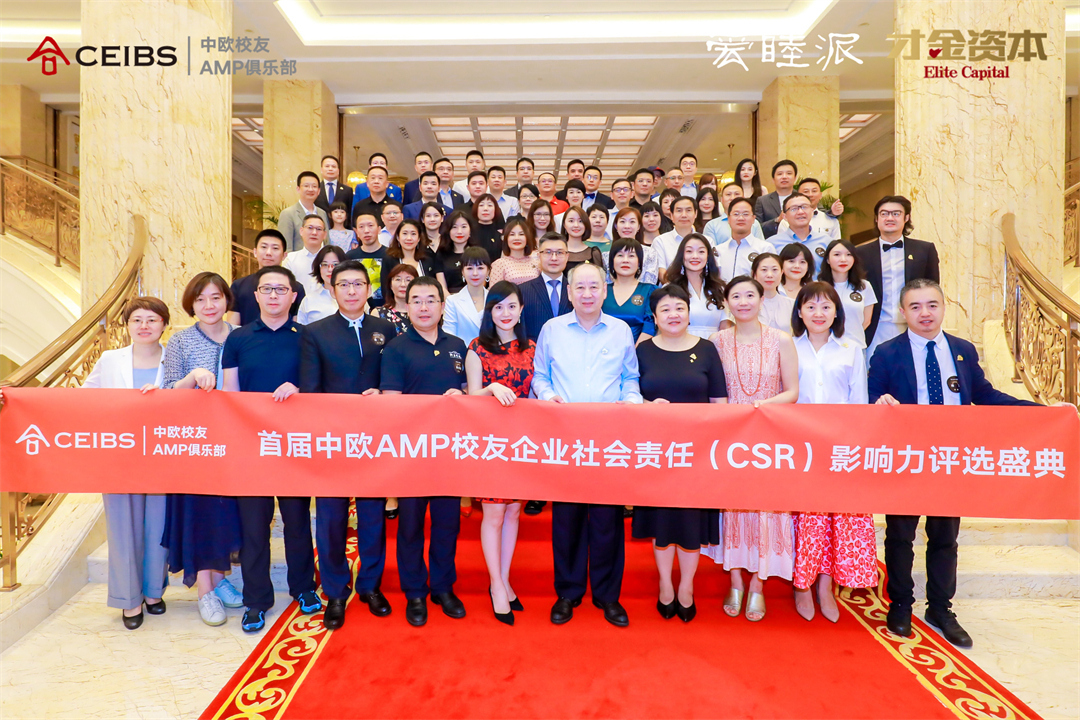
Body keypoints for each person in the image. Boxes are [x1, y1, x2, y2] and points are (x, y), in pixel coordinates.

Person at [869, 279, 1049, 649]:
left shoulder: (962, 350)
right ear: (903, 312)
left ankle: (940, 608)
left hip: (950, 459)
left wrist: (1044, 413)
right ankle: (900, 604)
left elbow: (985, 395)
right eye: (915, 306)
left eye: (932, 305)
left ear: (943, 307)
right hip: (907, 460)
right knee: (900, 536)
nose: (925, 313)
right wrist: (880, 402)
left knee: (945, 537)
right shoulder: (886, 353)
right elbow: (871, 398)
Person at [533, 263, 643, 627]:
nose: (587, 294)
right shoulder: (552, 329)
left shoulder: (620, 330)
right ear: (568, 291)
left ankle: (608, 595)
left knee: (607, 520)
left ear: (604, 289)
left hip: (608, 440)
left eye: (594, 286)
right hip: (566, 439)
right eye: (579, 287)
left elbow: (630, 378)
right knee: (567, 520)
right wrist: (548, 397)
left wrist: (631, 402)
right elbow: (540, 376)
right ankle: (568, 592)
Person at [221, 266, 321, 633]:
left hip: (294, 446)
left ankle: (304, 588)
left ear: (294, 296)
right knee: (254, 528)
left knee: (297, 522)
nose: (274, 295)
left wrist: (300, 389)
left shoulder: (308, 337)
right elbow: (230, 394)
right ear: (256, 296)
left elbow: (319, 386)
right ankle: (256, 600)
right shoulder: (238, 338)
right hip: (252, 447)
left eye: (281, 289)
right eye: (267, 289)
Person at [300, 260, 398, 629]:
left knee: (373, 516)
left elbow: (394, 378)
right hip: (333, 439)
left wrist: (383, 393)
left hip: (375, 439)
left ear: (368, 289)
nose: (352, 290)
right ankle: (336, 592)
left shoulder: (385, 329)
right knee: (331, 518)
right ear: (332, 289)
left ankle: (371, 585)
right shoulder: (315, 332)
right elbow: (310, 390)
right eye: (344, 284)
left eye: (358, 283)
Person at [701, 276, 799, 622]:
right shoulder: (715, 342)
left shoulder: (781, 339)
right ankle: (736, 581)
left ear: (761, 299)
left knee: (765, 508)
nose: (743, 302)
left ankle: (758, 583)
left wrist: (761, 407)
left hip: (769, 436)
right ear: (727, 303)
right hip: (729, 438)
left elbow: (792, 391)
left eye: (749, 296)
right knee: (732, 507)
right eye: (736, 296)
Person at [632, 285, 726, 622]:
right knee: (662, 522)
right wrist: (647, 405)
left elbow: (719, 402)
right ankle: (665, 584)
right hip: (655, 452)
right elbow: (628, 395)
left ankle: (686, 586)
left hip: (695, 453)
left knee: (690, 524)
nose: (673, 314)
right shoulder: (643, 351)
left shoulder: (707, 349)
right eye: (666, 309)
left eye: (679, 308)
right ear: (654, 317)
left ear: (688, 312)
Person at [381, 277, 470, 627]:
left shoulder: (458, 345)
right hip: (412, 453)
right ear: (407, 306)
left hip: (449, 453)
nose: (423, 307)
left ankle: (443, 587)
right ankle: (415, 592)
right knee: (411, 526)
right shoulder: (397, 348)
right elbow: (392, 402)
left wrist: (462, 398)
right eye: (416, 300)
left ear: (442, 306)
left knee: (447, 524)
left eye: (431, 300)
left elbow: (469, 394)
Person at [789, 281, 876, 623]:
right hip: (800, 446)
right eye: (810, 306)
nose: (818, 313)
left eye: (826, 306)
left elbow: (859, 402)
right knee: (805, 517)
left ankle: (826, 585)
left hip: (840, 446)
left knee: (834, 518)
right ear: (799, 312)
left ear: (837, 312)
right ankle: (801, 584)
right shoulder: (788, 347)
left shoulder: (851, 349)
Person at [161, 272, 242, 626]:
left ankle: (220, 578)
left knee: (226, 513)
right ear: (191, 305)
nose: (209, 305)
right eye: (200, 299)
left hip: (234, 442)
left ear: (227, 300)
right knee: (200, 513)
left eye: (215, 297)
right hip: (194, 444)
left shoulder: (242, 336)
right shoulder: (180, 341)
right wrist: (191, 377)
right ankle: (205, 590)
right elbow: (167, 391)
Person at [86, 297, 170, 630]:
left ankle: (153, 592)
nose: (144, 326)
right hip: (119, 457)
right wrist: (21, 397)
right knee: (122, 530)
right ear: (127, 325)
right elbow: (80, 398)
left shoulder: (174, 358)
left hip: (163, 457)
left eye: (152, 319)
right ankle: (128, 599)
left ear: (164, 324)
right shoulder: (110, 359)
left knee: (158, 528)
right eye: (137, 320)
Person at [464, 281, 537, 625]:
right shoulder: (477, 348)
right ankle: (495, 585)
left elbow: (538, 392)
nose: (505, 313)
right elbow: (471, 398)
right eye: (498, 307)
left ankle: (505, 580)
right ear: (489, 312)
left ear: (521, 310)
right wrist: (492, 387)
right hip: (491, 444)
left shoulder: (532, 347)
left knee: (513, 513)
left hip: (523, 444)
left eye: (511, 306)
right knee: (493, 515)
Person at [856, 195, 940, 359]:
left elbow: (933, 289)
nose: (889, 218)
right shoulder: (860, 253)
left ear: (906, 218)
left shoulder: (924, 250)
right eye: (884, 213)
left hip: (912, 326)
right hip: (874, 328)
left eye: (896, 213)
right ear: (877, 218)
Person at [228, 229, 305, 326]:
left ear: (284, 255)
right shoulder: (238, 286)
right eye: (264, 247)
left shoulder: (296, 288)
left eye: (275, 248)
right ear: (255, 252)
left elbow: (297, 327)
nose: (268, 253)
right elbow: (233, 326)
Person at [665, 234, 726, 339]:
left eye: (701, 251)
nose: (695, 256)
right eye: (689, 251)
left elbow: (725, 325)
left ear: (708, 256)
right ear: (681, 256)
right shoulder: (669, 289)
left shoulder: (720, 288)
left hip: (714, 345)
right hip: (680, 343)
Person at [819, 239, 876, 348]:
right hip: (825, 346)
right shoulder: (817, 287)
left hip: (856, 347)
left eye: (849, 255)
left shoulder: (864, 286)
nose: (843, 259)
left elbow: (866, 321)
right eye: (837, 254)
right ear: (827, 259)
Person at [519, 233, 572, 342]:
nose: (554, 258)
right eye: (548, 252)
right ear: (539, 256)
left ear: (567, 256)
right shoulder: (522, 290)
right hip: (534, 350)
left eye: (559, 253)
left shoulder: (576, 290)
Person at [602, 238, 656, 343]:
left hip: (639, 349)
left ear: (639, 262)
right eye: (620, 255)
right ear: (612, 261)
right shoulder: (601, 291)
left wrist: (633, 351)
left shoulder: (650, 291)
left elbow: (650, 327)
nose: (625, 260)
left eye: (631, 256)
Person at [711, 197, 774, 282]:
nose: (740, 218)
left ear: (753, 219)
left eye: (745, 214)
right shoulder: (718, 251)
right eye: (736, 214)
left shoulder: (765, 249)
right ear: (729, 219)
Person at [380, 218, 447, 297]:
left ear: (419, 238)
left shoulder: (428, 258)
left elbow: (438, 286)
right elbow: (386, 289)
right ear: (398, 237)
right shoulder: (389, 259)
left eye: (413, 234)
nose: (409, 238)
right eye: (405, 233)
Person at [768, 193, 832, 273]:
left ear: (812, 211)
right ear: (784, 216)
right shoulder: (772, 244)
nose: (800, 212)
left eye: (804, 207)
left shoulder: (827, 242)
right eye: (794, 209)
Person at [442, 247, 490, 346]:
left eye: (480, 268)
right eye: (469, 268)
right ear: (462, 272)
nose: (475, 273)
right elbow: (449, 336)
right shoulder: (452, 301)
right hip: (463, 353)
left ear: (488, 271)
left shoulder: (496, 299)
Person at [344, 211, 388, 309]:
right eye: (361, 227)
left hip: (385, 309)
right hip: (356, 309)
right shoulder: (350, 257)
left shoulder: (390, 255)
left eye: (370, 225)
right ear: (356, 231)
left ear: (379, 229)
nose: (366, 230)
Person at [702, 183, 767, 247]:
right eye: (728, 194)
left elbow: (760, 247)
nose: (732, 198)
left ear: (743, 198)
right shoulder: (712, 225)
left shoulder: (754, 223)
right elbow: (710, 251)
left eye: (737, 194)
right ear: (721, 200)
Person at [776, 178, 843, 240]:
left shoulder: (831, 221)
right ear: (798, 195)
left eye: (814, 191)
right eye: (806, 191)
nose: (810, 195)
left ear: (820, 195)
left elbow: (836, 246)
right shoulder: (786, 221)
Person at [278, 172, 328, 251]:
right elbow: (285, 247)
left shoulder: (322, 213)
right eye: (306, 186)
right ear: (298, 189)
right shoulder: (288, 214)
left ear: (318, 191)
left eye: (314, 186)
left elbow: (326, 242)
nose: (310, 189)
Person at [297, 245, 345, 325]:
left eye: (335, 264)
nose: (330, 269)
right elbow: (301, 330)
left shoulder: (355, 297)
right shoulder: (309, 300)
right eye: (325, 265)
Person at [750, 252, 795, 335]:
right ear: (754, 274)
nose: (770, 275)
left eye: (775, 270)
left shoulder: (792, 304)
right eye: (764, 270)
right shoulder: (747, 304)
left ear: (782, 273)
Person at [283, 214, 328, 297]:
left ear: (325, 234)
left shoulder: (333, 260)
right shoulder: (290, 259)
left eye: (319, 229)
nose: (314, 232)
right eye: (310, 228)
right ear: (301, 231)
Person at [653, 195, 697, 278]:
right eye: (679, 211)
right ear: (671, 215)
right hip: (670, 286)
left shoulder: (707, 241)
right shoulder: (660, 241)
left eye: (688, 210)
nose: (684, 215)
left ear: (696, 214)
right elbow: (662, 273)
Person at [489, 216, 540, 285]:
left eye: (521, 234)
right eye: (512, 234)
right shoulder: (499, 264)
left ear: (527, 238)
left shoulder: (537, 263)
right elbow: (495, 290)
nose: (517, 238)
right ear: (506, 239)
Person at [372, 262, 418, 334]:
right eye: (398, 279)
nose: (403, 284)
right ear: (390, 285)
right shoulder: (378, 314)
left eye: (408, 280)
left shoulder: (423, 312)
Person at [754, 159, 797, 234]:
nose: (784, 177)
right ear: (773, 179)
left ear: (795, 178)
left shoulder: (804, 199)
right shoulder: (762, 201)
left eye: (789, 173)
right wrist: (777, 220)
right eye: (780, 174)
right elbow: (756, 227)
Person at [437, 209, 474, 294]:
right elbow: (442, 286)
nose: (459, 232)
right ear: (448, 230)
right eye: (454, 227)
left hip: (474, 297)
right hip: (449, 298)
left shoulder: (478, 253)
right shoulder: (441, 254)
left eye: (464, 227)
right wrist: (451, 300)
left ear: (470, 230)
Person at [560, 205, 603, 274]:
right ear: (564, 225)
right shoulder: (558, 252)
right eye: (571, 221)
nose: (576, 225)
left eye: (580, 221)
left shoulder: (594, 253)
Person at [471, 193, 505, 263]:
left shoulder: (501, 236)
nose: (485, 209)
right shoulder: (469, 233)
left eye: (490, 205)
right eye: (481, 205)